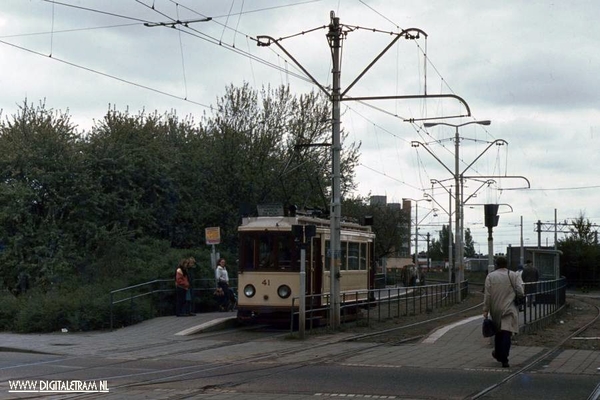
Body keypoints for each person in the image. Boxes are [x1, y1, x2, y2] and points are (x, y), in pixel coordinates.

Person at [483, 256, 524, 368]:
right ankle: (504, 357)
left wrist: (485, 310)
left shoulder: (490, 276)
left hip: (496, 308)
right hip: (509, 307)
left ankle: (498, 353)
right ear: (507, 264)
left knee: (499, 332)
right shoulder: (513, 275)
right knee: (507, 332)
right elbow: (520, 290)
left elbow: (487, 295)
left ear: (496, 264)